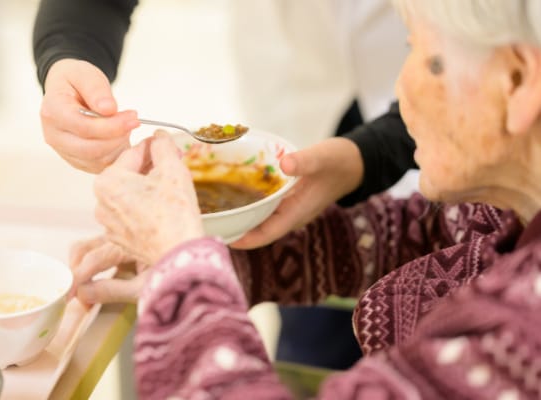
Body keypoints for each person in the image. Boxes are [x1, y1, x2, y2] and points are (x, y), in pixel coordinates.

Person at [72, 0, 541, 398]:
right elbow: (434, 234)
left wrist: (184, 275)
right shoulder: (510, 212)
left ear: (516, 81)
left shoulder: (518, 333)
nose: (398, 90)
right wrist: (227, 258)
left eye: (420, 52)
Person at [33, 0, 412, 368]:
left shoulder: (456, 329)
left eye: (427, 54)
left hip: (421, 174)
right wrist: (67, 53)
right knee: (312, 344)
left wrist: (184, 281)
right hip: (310, 147)